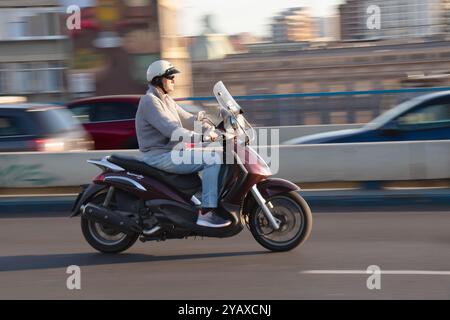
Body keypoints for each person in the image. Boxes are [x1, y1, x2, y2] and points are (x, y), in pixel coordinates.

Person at [135, 60, 231, 228]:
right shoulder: (150, 101)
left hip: (171, 152)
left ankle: (206, 197)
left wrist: (212, 128)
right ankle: (207, 212)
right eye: (170, 76)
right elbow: (170, 130)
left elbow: (189, 119)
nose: (174, 80)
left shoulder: (166, 100)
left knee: (219, 152)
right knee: (212, 160)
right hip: (159, 156)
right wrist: (202, 138)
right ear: (158, 80)